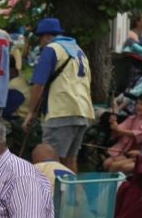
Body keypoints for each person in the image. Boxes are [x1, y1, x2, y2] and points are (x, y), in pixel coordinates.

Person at [22, 17, 94, 166]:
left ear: (47, 36)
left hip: (61, 110)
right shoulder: (78, 51)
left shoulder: (52, 49)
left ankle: (51, 189)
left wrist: (31, 112)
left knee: (49, 160)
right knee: (70, 160)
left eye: (41, 38)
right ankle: (72, 190)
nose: (41, 43)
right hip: (82, 111)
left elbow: (38, 84)